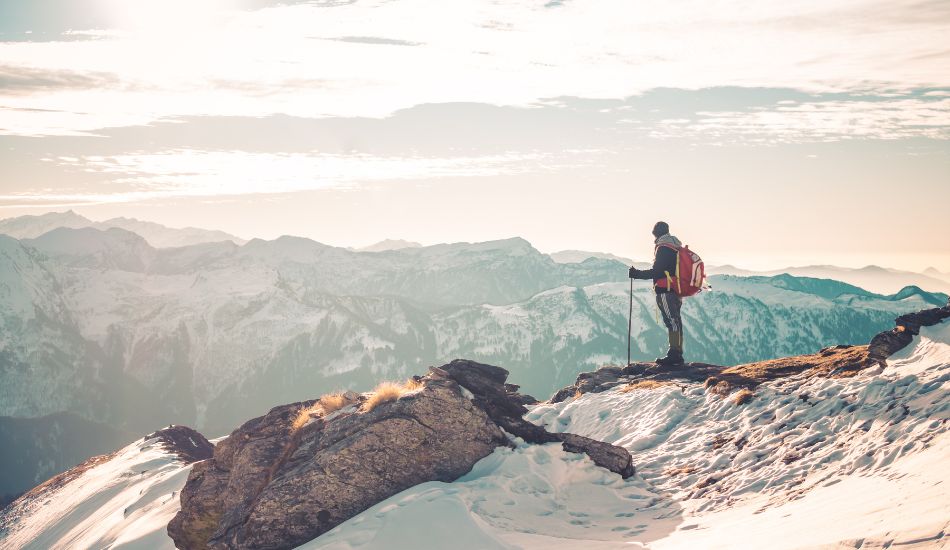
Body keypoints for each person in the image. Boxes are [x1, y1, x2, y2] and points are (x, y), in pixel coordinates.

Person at [628, 221, 685, 366]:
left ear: (656, 233)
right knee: (676, 320)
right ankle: (677, 353)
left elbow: (658, 271)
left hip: (665, 290)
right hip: (675, 289)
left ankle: (674, 355)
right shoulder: (674, 246)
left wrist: (637, 274)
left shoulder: (663, 248)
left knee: (671, 321)